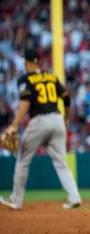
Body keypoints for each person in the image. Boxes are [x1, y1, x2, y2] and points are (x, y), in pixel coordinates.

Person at [0, 48, 82, 210]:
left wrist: (14, 126)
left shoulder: (25, 79)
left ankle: (16, 200)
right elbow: (66, 97)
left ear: (27, 62)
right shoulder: (52, 77)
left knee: (23, 160)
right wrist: (65, 119)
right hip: (57, 120)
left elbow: (25, 103)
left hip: (39, 121)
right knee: (61, 162)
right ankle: (74, 197)